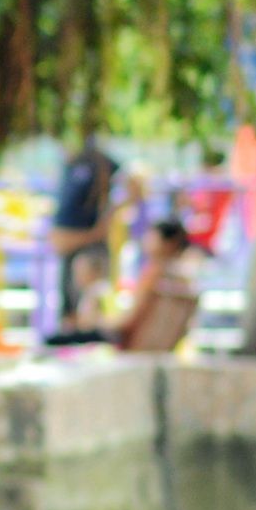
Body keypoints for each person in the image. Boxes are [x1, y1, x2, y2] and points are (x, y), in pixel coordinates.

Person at [46, 128, 128, 329]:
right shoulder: (71, 169)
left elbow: (133, 185)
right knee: (72, 312)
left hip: (88, 249)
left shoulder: (97, 165)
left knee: (88, 307)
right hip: (77, 247)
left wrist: (103, 225)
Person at [114, 218, 203, 355]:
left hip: (133, 349)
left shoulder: (155, 274)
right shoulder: (184, 279)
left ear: (170, 243)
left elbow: (128, 321)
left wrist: (96, 322)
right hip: (162, 353)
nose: (146, 240)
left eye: (151, 236)